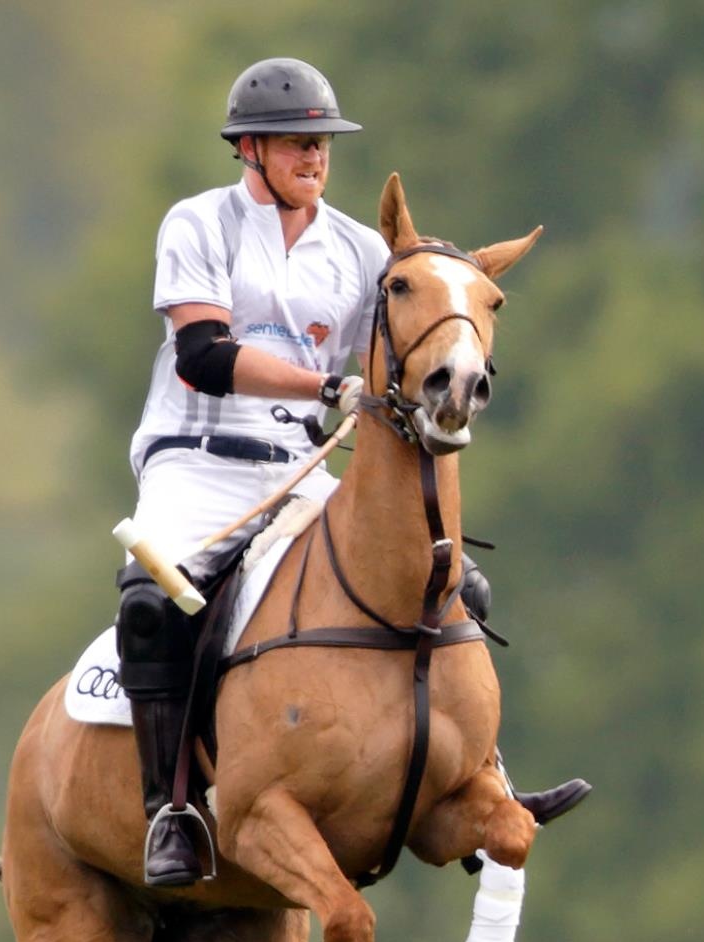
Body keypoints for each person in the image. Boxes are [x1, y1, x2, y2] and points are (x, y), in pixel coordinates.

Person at [117, 57, 587, 888]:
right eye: (296, 143)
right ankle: (175, 812)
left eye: (323, 144)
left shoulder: (362, 249)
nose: (314, 158)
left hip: (305, 469)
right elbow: (203, 354)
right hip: (196, 464)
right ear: (249, 149)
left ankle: (485, 777)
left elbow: (396, 351)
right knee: (156, 606)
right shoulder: (198, 224)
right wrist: (329, 385)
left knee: (451, 583)